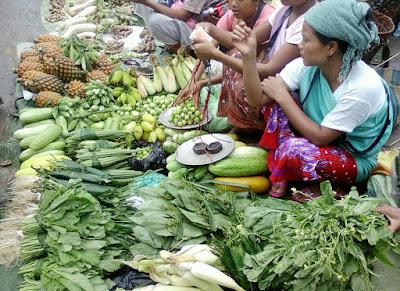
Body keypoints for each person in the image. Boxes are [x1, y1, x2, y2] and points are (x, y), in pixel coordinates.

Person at [234, 0, 396, 201]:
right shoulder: (306, 66)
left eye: (305, 40)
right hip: (315, 137)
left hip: (351, 158)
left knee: (294, 149)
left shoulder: (363, 87)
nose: (299, 46)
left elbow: (320, 138)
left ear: (331, 47)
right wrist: (248, 57)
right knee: (273, 107)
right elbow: (257, 99)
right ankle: (292, 170)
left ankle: (335, 185)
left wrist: (284, 97)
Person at [191, 0, 316, 132]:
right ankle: (240, 124)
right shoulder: (285, 11)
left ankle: (253, 128)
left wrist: (217, 55)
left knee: (240, 76)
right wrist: (211, 29)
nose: (233, 4)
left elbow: (269, 70)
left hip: (285, 84)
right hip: (273, 74)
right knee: (235, 57)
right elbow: (241, 41)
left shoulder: (308, 23)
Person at [129, 0, 229, 52]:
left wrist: (146, 2)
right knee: (149, 5)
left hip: (205, 34)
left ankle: (184, 51)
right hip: (193, 20)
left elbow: (182, 16)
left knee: (155, 22)